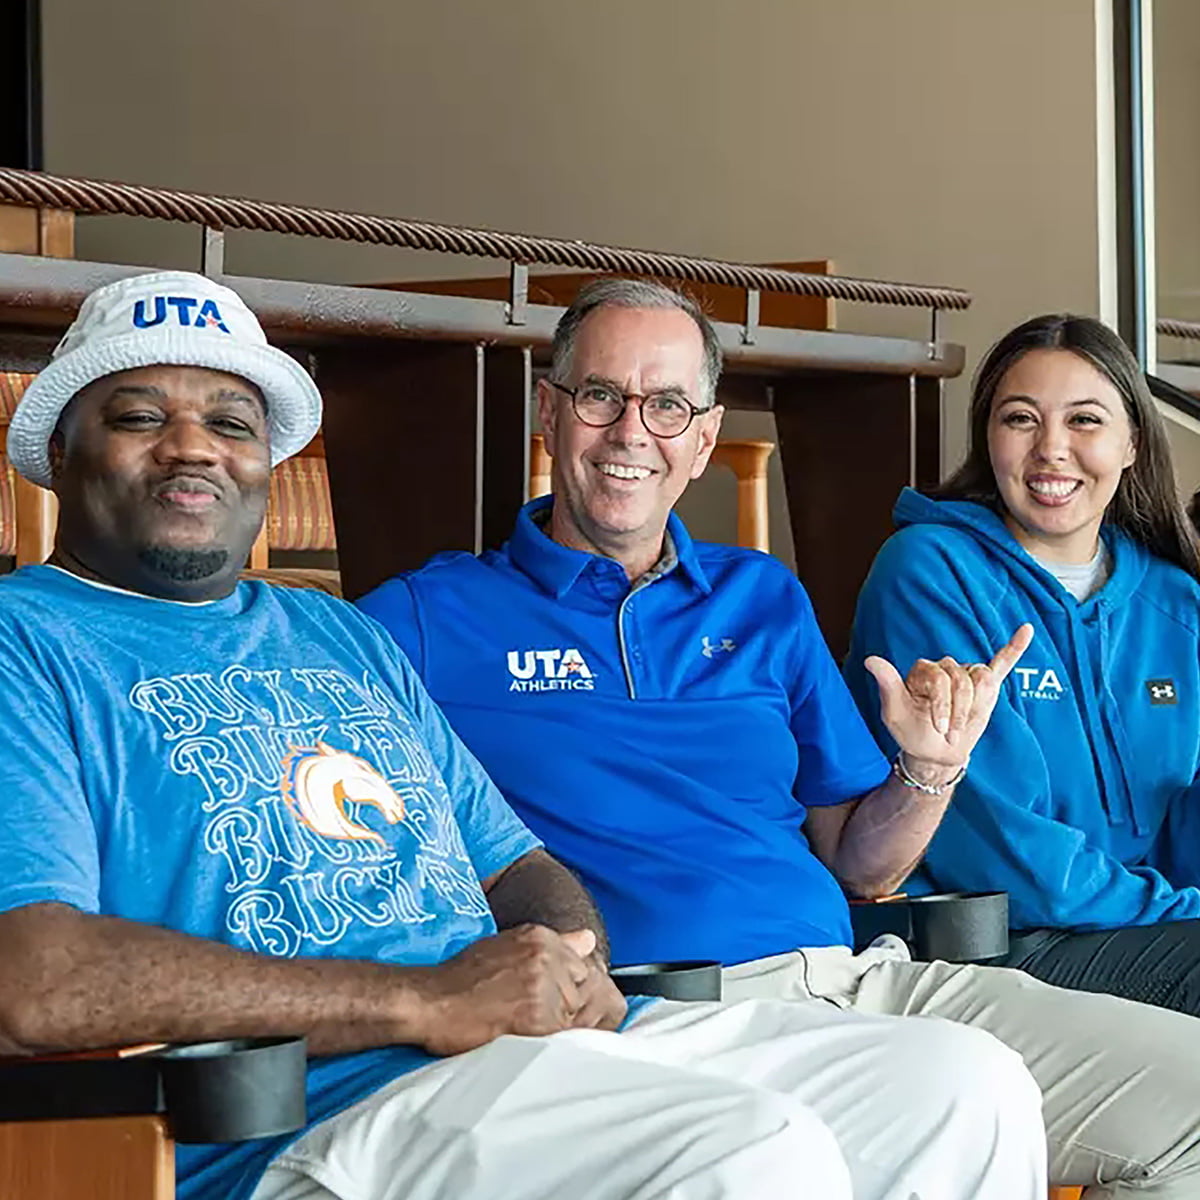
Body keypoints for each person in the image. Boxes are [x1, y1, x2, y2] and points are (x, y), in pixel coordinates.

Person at [0, 270, 1049, 1200]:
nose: (193, 445)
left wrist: (574, 961)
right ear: (59, 449)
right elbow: (34, 980)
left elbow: (517, 865)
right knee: (745, 1151)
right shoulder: (28, 642)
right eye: (141, 415)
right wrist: (422, 999)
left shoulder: (329, 631)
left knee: (958, 1083)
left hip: (530, 1053)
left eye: (231, 423)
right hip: (307, 1118)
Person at [359, 278, 1200, 1197]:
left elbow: (860, 865)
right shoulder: (427, 617)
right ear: (550, 413)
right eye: (602, 396)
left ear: (706, 438)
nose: (634, 431)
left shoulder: (760, 597)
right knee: (899, 1111)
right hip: (654, 1014)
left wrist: (929, 768)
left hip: (856, 980)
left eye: (669, 405)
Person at [846, 313, 1200, 1015]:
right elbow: (993, 845)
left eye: (1085, 422)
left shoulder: (1175, 601)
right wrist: (1179, 907)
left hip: (1154, 928)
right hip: (999, 945)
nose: (1052, 450)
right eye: (1020, 420)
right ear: (988, 437)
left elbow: (1182, 818)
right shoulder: (931, 572)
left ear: (1132, 442)